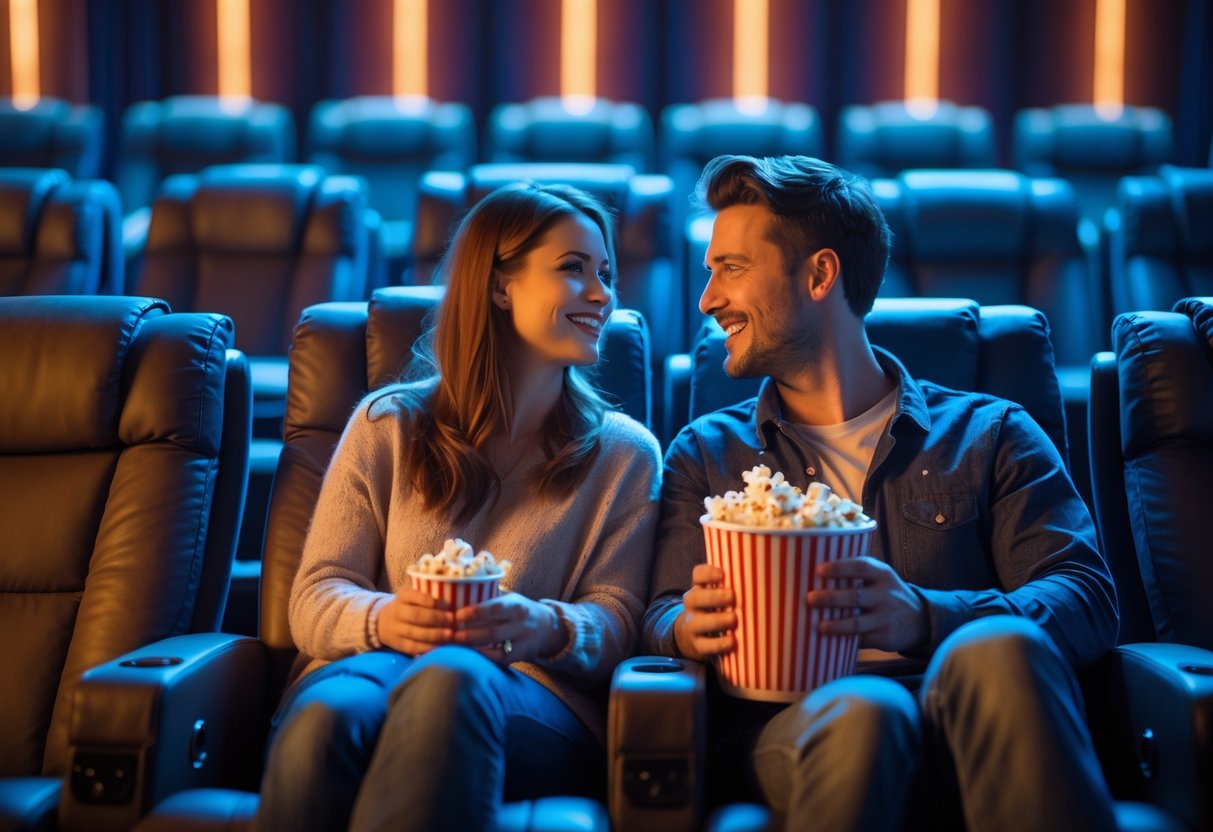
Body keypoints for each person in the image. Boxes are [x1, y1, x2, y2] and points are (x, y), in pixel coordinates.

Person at [642, 155, 1119, 831]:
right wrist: (685, 627)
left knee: (999, 646)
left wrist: (924, 617)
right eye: (709, 270)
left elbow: (1086, 597)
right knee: (868, 710)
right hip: (802, 726)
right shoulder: (705, 453)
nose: (707, 299)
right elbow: (659, 613)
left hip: (974, 718)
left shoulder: (991, 433)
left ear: (818, 275)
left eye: (732, 268)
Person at [255, 183, 662, 832]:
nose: (601, 295)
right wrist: (389, 619)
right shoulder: (385, 424)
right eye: (572, 269)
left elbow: (619, 618)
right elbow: (315, 594)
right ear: (500, 287)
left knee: (449, 679)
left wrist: (545, 626)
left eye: (605, 274)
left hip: (533, 699)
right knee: (325, 718)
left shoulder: (625, 455)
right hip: (374, 665)